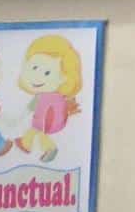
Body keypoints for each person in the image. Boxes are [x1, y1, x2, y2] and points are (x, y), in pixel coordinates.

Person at [12, 34, 86, 162]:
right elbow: (31, 108)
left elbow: (31, 109)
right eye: (34, 68)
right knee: (34, 131)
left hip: (48, 121)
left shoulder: (45, 96)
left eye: (47, 73)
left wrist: (17, 119)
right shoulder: (50, 96)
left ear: (64, 77)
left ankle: (49, 148)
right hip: (51, 121)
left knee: (40, 134)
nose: (37, 76)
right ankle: (26, 144)